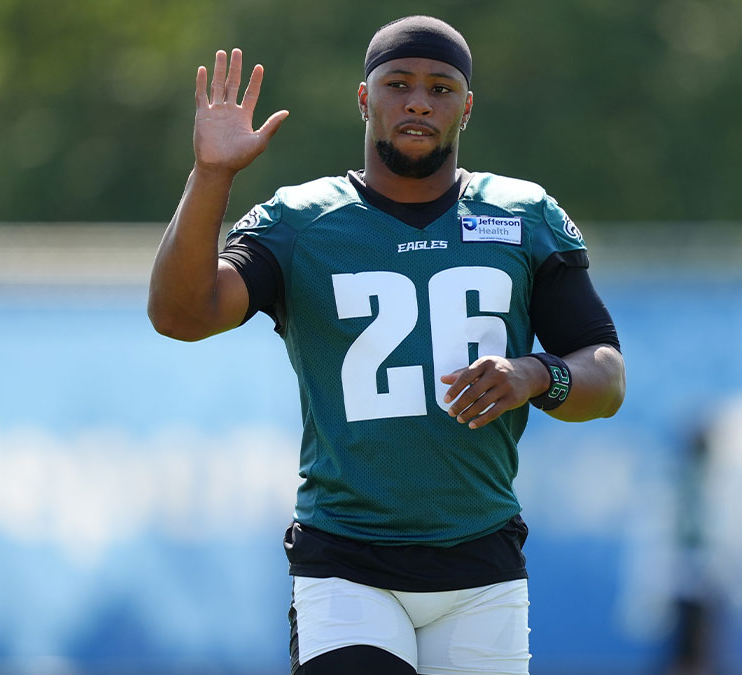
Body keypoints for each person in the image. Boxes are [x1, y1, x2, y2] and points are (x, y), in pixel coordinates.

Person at [148, 15, 625, 675]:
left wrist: (536, 374)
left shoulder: (521, 215)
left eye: (441, 87)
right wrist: (211, 175)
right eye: (398, 83)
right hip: (346, 559)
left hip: (481, 561)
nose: (419, 101)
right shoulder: (303, 220)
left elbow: (606, 374)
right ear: (364, 98)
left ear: (467, 107)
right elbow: (180, 314)